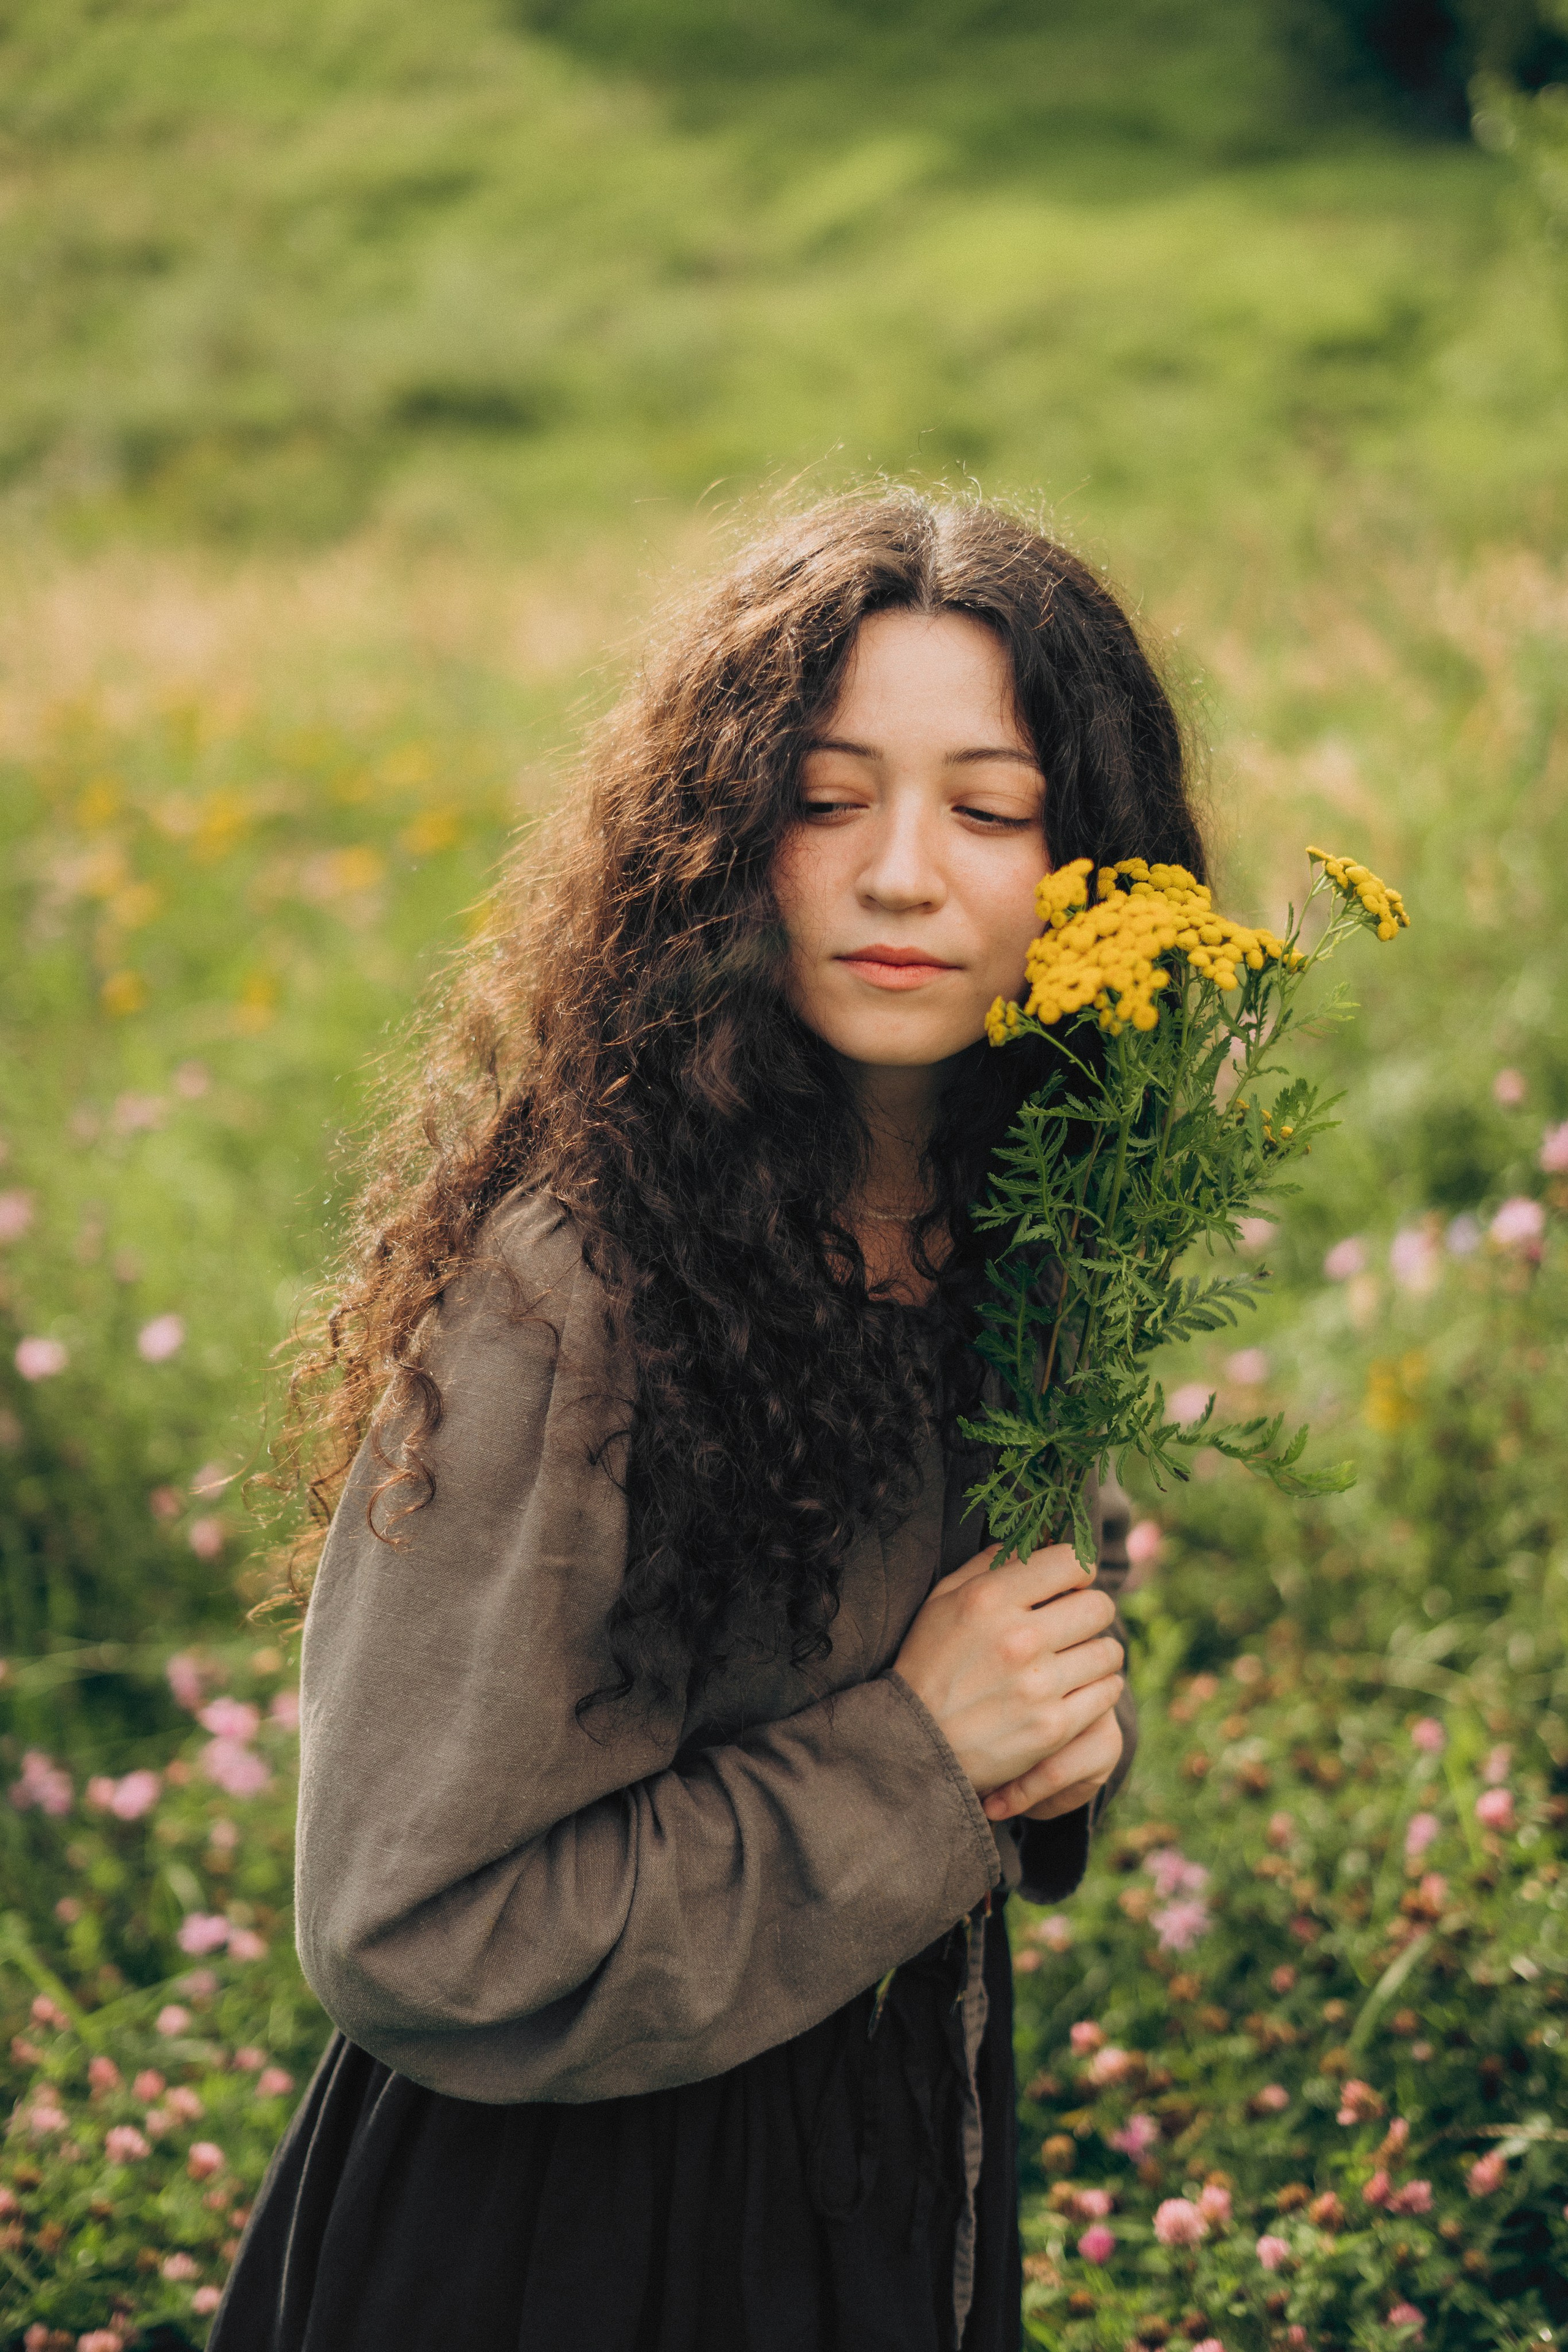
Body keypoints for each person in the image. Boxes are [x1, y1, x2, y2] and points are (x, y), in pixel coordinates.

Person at [211, 491, 1205, 2352]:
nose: (901, 875)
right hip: (562, 2247)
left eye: (990, 810)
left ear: (1099, 867)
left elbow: (983, 1688)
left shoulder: (1041, 1227)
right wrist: (923, 1761)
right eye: (826, 801)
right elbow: (411, 1931)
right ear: (717, 846)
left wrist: (1047, 1740)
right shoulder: (576, 1289)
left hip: (884, 2181)